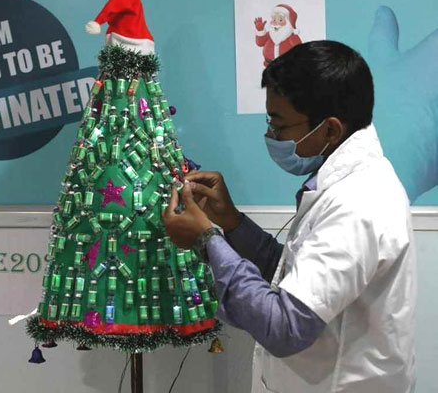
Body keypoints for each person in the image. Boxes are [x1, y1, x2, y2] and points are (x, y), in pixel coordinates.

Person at [162, 40, 416, 393]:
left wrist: (207, 241)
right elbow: (293, 276)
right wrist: (232, 221)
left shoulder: (358, 203)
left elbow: (285, 326)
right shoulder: (340, 184)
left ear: (330, 130)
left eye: (280, 126)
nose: (271, 135)